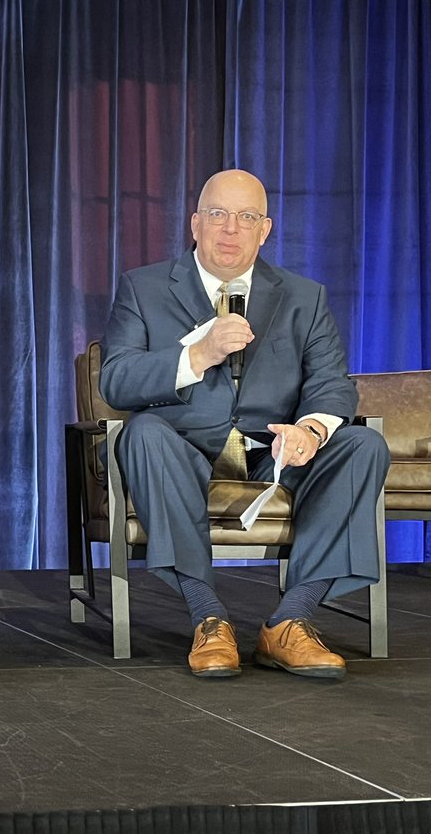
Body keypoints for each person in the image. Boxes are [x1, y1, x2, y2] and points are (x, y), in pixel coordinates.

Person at [99, 169, 389, 680]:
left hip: (271, 450)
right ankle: (208, 618)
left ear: (265, 229)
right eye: (217, 214)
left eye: (246, 217)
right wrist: (197, 353)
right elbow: (117, 381)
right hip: (180, 446)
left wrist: (312, 430)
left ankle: (290, 621)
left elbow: (332, 383)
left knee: (362, 444)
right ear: (194, 223)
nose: (230, 229)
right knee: (143, 431)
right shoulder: (142, 288)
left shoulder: (304, 296)